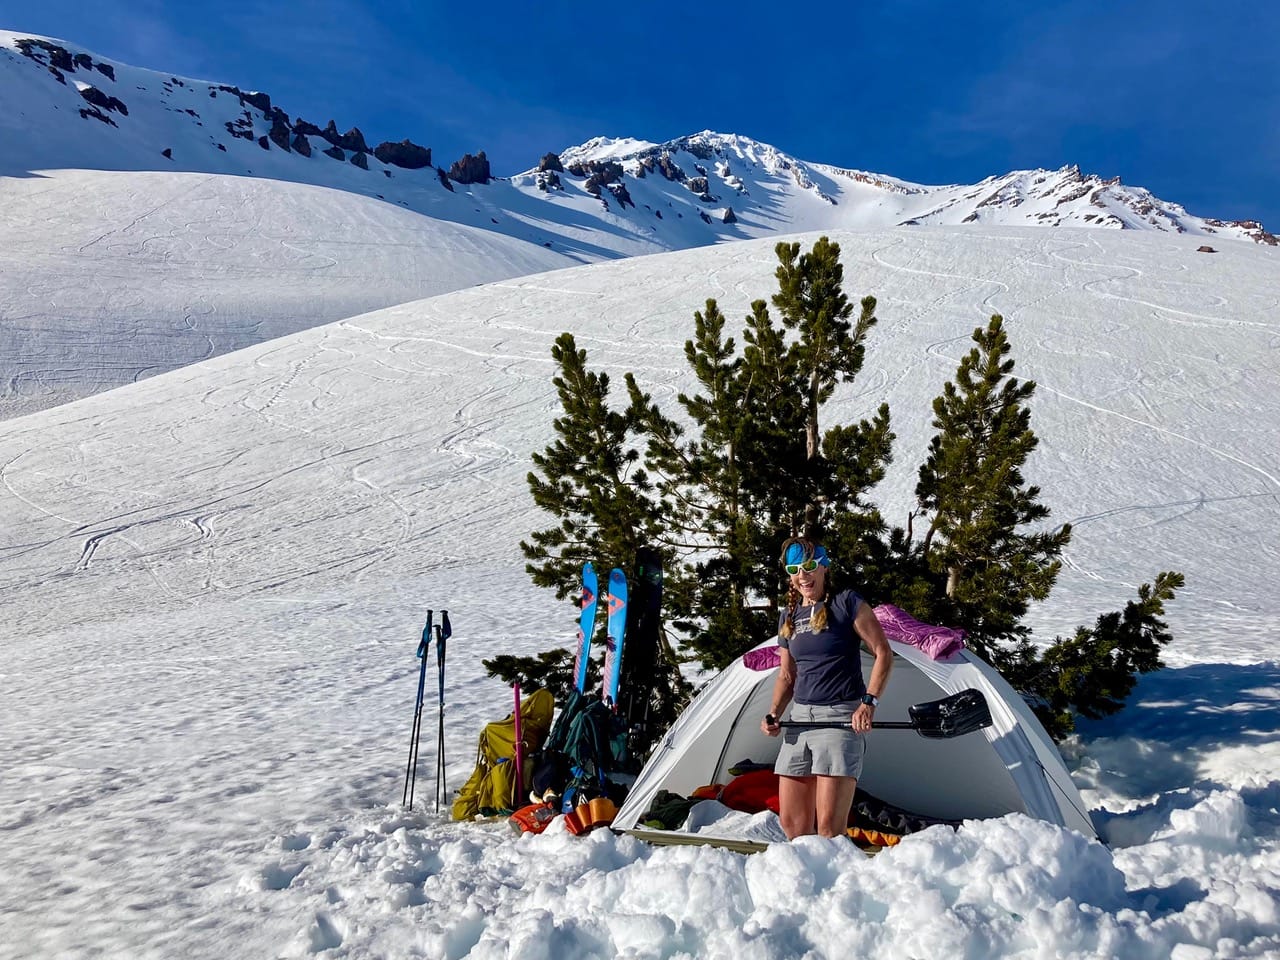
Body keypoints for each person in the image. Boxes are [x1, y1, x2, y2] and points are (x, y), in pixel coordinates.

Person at [760, 536, 893, 839]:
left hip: (839, 718)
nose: (802, 576)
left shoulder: (846, 603)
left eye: (809, 567)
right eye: (794, 569)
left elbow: (883, 652)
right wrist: (774, 713)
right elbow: (787, 676)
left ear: (824, 567)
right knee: (792, 826)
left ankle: (835, 871)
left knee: (829, 830)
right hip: (800, 721)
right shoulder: (788, 616)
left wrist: (868, 703)